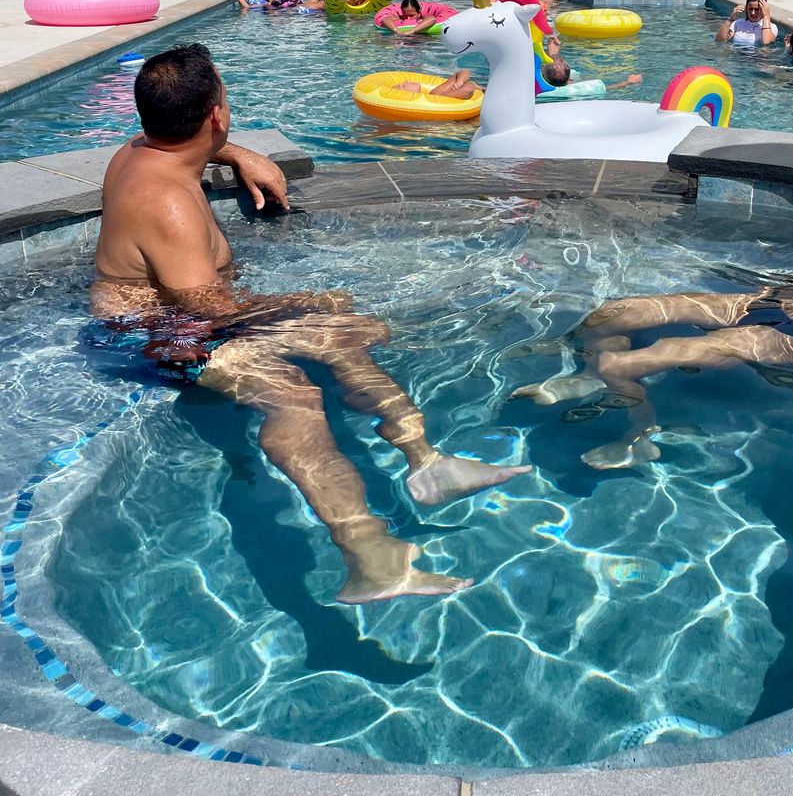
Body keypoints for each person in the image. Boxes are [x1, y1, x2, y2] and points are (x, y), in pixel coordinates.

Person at [90, 44, 530, 602]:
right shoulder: (168, 204)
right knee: (294, 394)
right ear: (216, 115)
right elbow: (204, 311)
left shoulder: (139, 152)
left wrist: (238, 156)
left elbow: (182, 149)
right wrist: (305, 302)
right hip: (159, 337)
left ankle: (427, 462)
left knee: (342, 331)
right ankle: (369, 557)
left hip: (179, 315)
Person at [512, 96, 793, 468]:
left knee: (620, 366)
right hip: (780, 303)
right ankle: (591, 377)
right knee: (614, 314)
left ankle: (639, 434)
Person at [541, 56, 643, 92]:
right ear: (569, 80)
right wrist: (628, 82)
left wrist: (553, 55)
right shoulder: (578, 88)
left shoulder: (539, 85)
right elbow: (609, 88)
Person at [398, 68, 482, 100]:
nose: (405, 81)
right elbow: (468, 89)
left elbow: (464, 71)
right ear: (408, 94)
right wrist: (472, 84)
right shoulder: (435, 97)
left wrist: (459, 81)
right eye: (402, 85)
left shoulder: (434, 93)